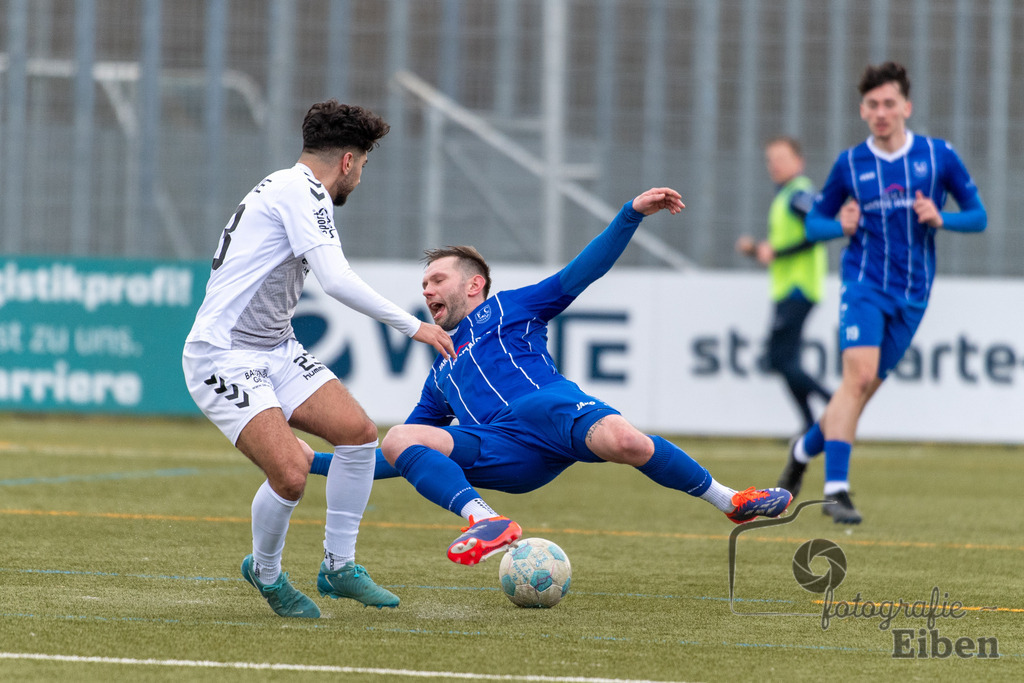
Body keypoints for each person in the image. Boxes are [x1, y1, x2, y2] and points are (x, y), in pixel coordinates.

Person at [311, 187, 792, 565]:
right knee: (400, 436)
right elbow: (394, 458)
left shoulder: (511, 306)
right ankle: (485, 521)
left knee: (628, 442)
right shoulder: (440, 371)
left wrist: (631, 214)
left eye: (437, 280)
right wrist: (311, 461)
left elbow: (583, 271)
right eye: (423, 284)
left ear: (474, 284)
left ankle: (731, 500)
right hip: (504, 452)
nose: (427, 291)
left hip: (553, 411)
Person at [181, 100, 455, 618]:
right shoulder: (301, 192)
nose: (360, 178)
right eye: (364, 165)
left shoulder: (289, 187)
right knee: (290, 474)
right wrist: (413, 325)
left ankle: (338, 567)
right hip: (223, 356)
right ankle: (265, 572)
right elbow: (335, 280)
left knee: (358, 433)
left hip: (276, 348)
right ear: (348, 161)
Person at [776, 62, 986, 524]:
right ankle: (836, 490)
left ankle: (801, 451)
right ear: (862, 110)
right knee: (857, 379)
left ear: (906, 107)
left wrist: (942, 218)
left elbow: (978, 216)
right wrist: (840, 225)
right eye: (872, 104)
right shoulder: (850, 164)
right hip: (863, 285)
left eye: (889, 103)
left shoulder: (938, 156)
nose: (881, 112)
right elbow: (814, 224)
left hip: (912, 295)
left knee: (859, 392)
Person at [735, 136, 831, 432]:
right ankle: (809, 424)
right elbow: (785, 245)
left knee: (780, 358)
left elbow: (818, 232)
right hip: (788, 288)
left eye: (781, 158)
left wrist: (776, 252)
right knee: (784, 360)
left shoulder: (798, 195)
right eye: (770, 159)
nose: (774, 165)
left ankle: (836, 404)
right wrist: (758, 250)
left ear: (799, 162)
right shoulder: (785, 195)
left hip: (798, 287)